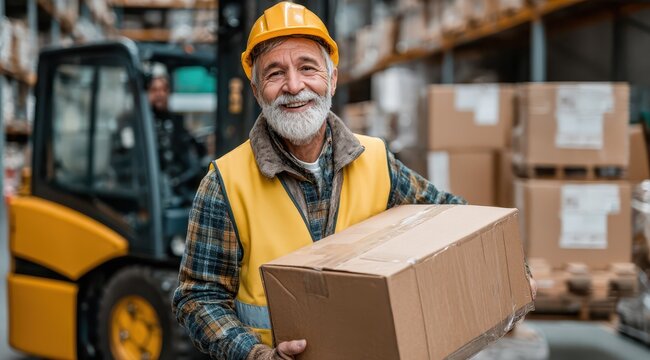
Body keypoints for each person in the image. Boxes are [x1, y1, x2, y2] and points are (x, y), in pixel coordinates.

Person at [173, 2, 536, 360]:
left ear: (332, 78)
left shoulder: (376, 160)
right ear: (256, 91)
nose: (294, 85)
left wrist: (510, 272)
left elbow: (454, 219)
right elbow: (198, 297)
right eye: (274, 74)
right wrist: (254, 354)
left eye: (307, 67)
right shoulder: (226, 183)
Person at [147, 69, 203, 202]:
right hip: (150, 187)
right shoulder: (137, 123)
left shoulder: (176, 122)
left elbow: (191, 149)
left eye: (163, 89)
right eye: (154, 90)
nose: (159, 94)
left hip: (175, 186)